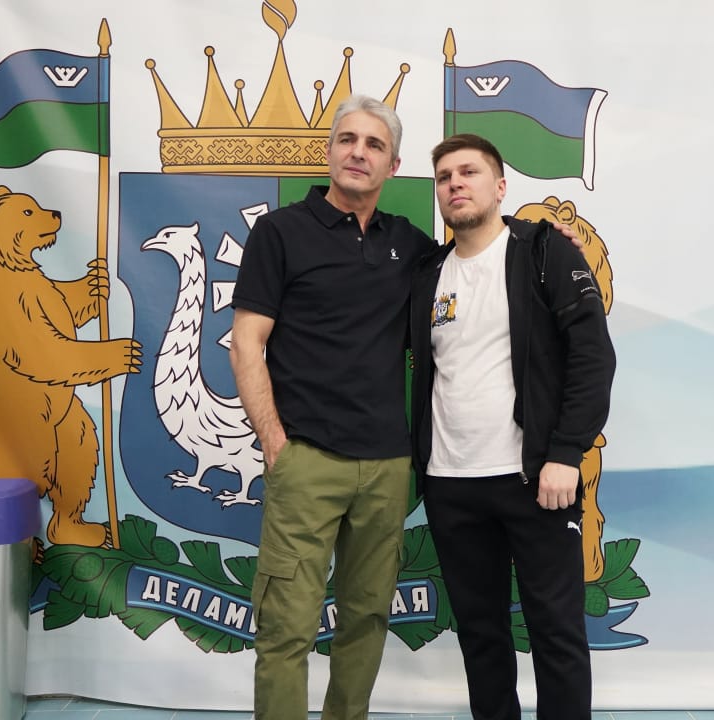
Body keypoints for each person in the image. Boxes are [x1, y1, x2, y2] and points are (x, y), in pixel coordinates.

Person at [229, 94, 434, 720]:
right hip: (307, 460)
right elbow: (247, 342)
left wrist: (543, 240)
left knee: (367, 619)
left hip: (388, 466)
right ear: (329, 152)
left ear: (392, 165)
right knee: (286, 627)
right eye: (348, 139)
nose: (358, 152)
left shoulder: (410, 244)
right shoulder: (279, 233)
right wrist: (275, 446)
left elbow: (482, 259)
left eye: (374, 145)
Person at [409, 133, 615, 720]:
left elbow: (592, 356)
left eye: (469, 172)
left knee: (556, 631)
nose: (455, 183)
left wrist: (566, 454)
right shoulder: (426, 273)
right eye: (445, 176)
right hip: (450, 483)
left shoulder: (544, 251)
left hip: (536, 480)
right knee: (481, 635)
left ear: (499, 187)